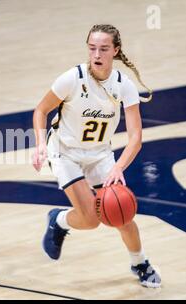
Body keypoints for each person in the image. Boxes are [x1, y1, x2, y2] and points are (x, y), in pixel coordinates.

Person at [32, 24, 161, 288]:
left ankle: (140, 262)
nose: (97, 54)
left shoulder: (124, 85)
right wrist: (39, 145)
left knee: (122, 215)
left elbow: (135, 138)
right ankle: (58, 219)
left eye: (103, 48)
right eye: (92, 48)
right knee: (91, 220)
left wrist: (119, 168)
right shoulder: (72, 78)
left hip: (100, 154)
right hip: (65, 152)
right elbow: (40, 110)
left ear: (115, 51)